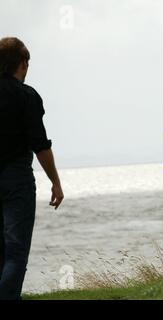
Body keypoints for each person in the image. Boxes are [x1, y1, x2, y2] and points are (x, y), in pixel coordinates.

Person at [0, 37, 64, 299]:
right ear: (23, 64)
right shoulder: (26, 96)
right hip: (16, 177)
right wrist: (56, 183)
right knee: (15, 249)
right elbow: (40, 145)